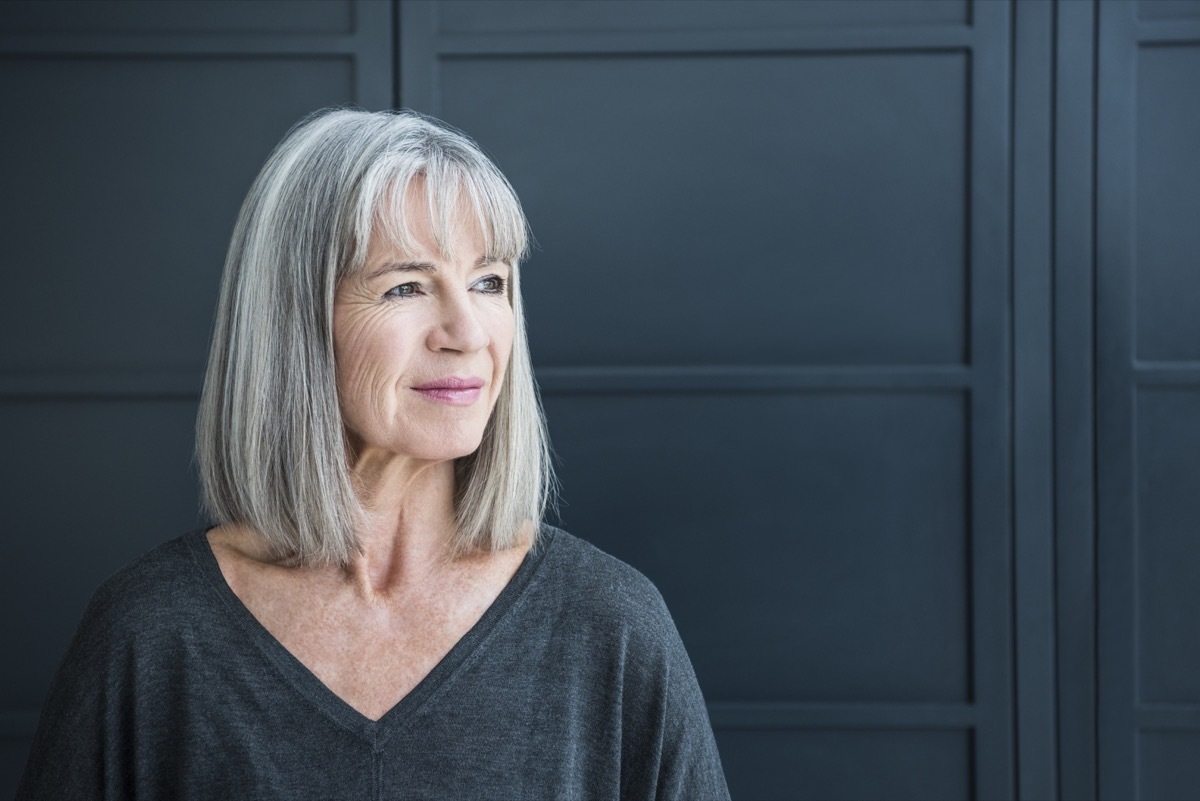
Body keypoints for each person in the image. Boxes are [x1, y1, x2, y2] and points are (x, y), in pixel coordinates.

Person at [17, 108, 729, 800]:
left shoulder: (613, 625)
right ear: (295, 321)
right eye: (406, 286)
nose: (466, 331)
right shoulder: (149, 636)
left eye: (489, 282)